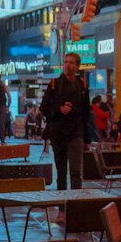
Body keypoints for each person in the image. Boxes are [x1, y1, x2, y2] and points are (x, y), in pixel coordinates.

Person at [40, 51, 91, 189]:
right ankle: (62, 204)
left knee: (75, 171)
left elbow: (86, 113)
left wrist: (87, 139)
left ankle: (75, 205)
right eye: (66, 62)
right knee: (61, 172)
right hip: (58, 133)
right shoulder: (54, 84)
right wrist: (59, 109)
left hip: (76, 133)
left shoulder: (83, 87)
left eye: (71, 63)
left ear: (77, 67)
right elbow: (44, 108)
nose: (68, 65)